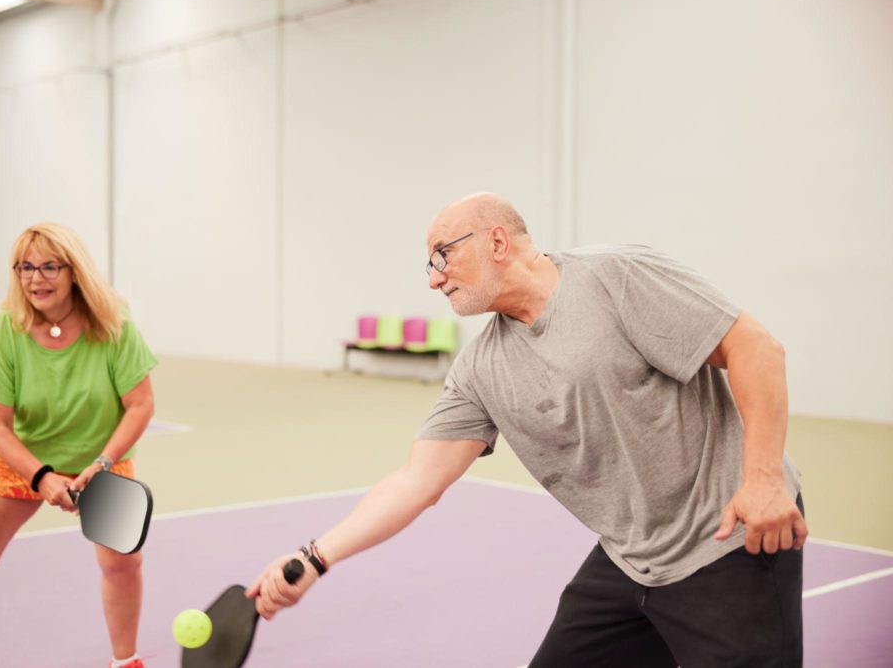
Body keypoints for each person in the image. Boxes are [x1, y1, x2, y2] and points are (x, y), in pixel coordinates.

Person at [248, 192, 808, 667]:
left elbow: (755, 346)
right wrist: (316, 557)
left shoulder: (615, 277)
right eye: (429, 265)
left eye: (441, 255)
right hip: (630, 559)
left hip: (730, 541)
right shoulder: (479, 369)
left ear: (496, 241)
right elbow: (418, 480)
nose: (434, 278)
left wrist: (762, 479)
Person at [0, 223, 158, 668]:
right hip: (21, 459)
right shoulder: (3, 331)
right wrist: (41, 476)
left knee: (122, 564)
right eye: (25, 267)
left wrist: (103, 463)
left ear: (74, 272)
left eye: (49, 266)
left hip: (101, 461)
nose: (35, 278)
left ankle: (125, 662)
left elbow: (140, 405)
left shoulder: (114, 327)